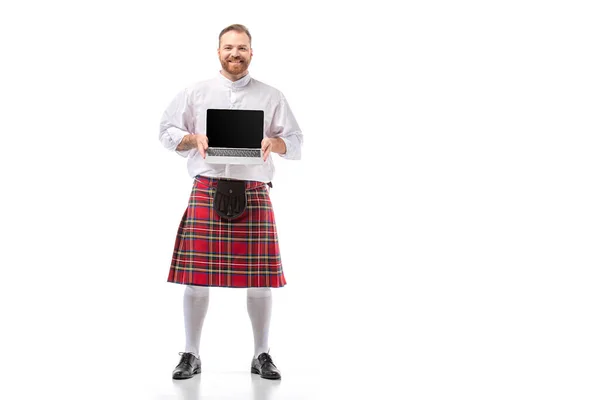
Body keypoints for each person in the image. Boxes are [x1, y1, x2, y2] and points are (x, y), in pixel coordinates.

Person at [159, 24, 303, 380]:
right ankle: (191, 354)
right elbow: (165, 131)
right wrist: (193, 139)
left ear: (251, 53)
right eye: (228, 47)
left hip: (253, 189)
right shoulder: (195, 92)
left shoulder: (272, 96)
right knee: (195, 279)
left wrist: (275, 144)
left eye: (241, 47)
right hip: (207, 187)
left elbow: (297, 141)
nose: (234, 53)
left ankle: (261, 354)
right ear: (218, 51)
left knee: (260, 281)